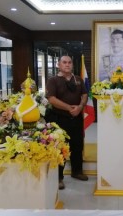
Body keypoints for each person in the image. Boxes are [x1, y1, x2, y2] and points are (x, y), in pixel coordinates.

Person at [46, 55, 88, 190]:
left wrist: (80, 107)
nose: (67, 64)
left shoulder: (79, 80)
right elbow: (51, 99)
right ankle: (58, 177)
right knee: (59, 148)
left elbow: (85, 95)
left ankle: (77, 172)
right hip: (59, 119)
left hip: (76, 119)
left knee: (77, 145)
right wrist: (69, 108)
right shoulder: (53, 80)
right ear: (59, 64)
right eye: (64, 62)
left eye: (69, 62)